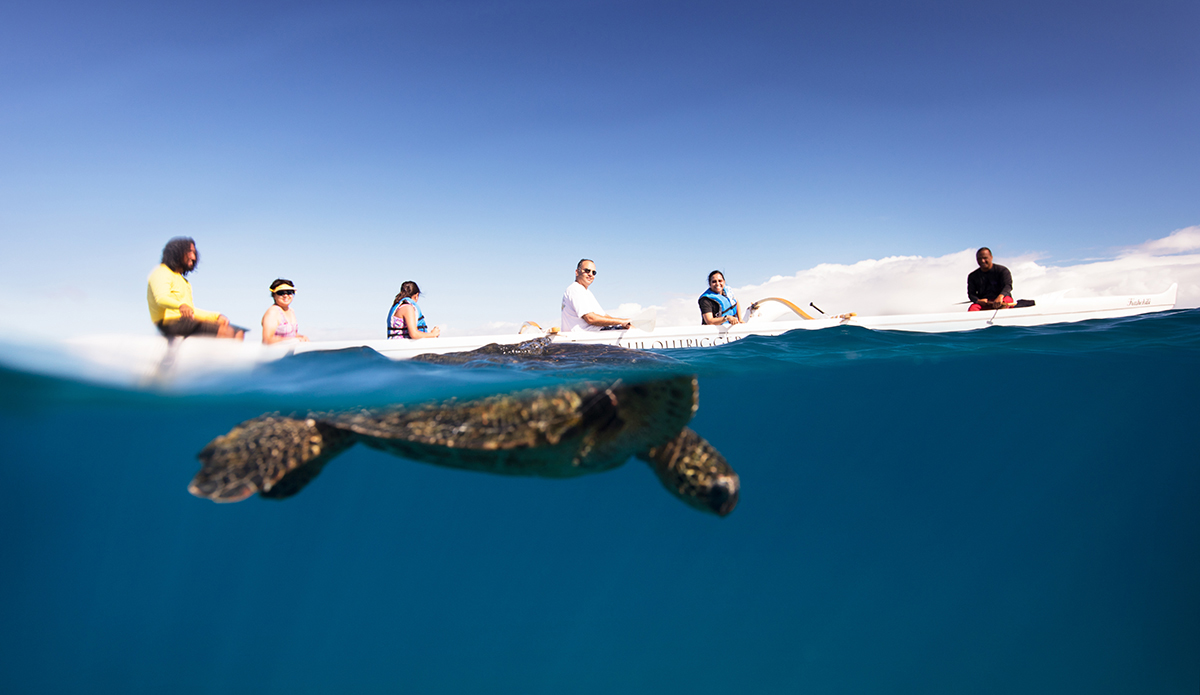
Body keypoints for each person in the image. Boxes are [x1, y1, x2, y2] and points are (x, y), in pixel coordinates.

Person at [147, 237, 243, 339]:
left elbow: (191, 311)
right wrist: (181, 305)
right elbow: (161, 298)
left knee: (238, 332)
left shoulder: (185, 282)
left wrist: (216, 316)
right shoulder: (161, 272)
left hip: (184, 322)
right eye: (189, 252)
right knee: (228, 332)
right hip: (167, 323)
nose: (193, 257)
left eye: (194, 253)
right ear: (176, 252)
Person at [561, 259, 631, 332]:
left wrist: (623, 323)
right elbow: (590, 318)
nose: (590, 274)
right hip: (585, 338)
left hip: (595, 335)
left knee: (630, 328)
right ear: (577, 272)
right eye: (587, 271)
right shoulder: (575, 289)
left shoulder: (586, 292)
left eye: (593, 272)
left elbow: (604, 316)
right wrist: (621, 321)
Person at [967, 247, 1016, 311]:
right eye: (979, 259)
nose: (982, 261)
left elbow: (1008, 286)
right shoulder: (972, 276)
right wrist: (978, 301)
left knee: (1006, 302)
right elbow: (971, 294)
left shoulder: (1002, 271)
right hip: (984, 303)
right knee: (973, 308)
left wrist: (1000, 297)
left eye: (985, 258)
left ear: (991, 257)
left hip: (1003, 299)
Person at [261, 279, 308, 344]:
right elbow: (267, 340)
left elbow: (291, 334)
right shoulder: (273, 312)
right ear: (274, 295)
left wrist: (301, 337)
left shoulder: (291, 311)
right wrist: (293, 340)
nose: (285, 295)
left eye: (289, 292)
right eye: (281, 293)